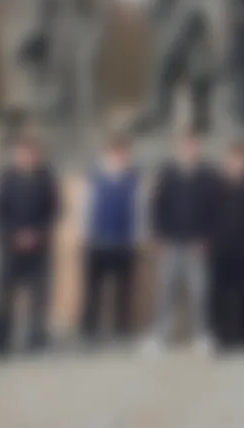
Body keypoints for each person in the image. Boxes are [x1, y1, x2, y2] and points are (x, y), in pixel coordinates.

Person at [0, 134, 59, 354]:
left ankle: (36, 338)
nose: (26, 158)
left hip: (39, 247)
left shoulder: (45, 178)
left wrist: (37, 234)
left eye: (30, 154)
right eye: (22, 154)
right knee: (5, 295)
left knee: (40, 295)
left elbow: (53, 210)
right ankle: (1, 339)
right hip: (11, 247)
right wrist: (14, 235)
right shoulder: (6, 178)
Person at [147, 132, 213, 350]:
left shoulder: (206, 175)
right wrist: (158, 235)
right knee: (166, 290)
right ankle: (160, 337)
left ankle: (201, 336)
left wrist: (206, 236)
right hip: (171, 242)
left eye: (192, 146)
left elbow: (212, 209)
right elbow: (157, 205)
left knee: (199, 291)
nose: (189, 150)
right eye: (185, 146)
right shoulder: (167, 173)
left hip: (196, 244)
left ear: (197, 148)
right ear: (179, 149)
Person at [78, 135, 142, 345]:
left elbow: (140, 212)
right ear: (107, 155)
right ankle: (90, 330)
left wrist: (138, 237)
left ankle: (121, 330)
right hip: (98, 242)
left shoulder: (133, 180)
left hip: (123, 242)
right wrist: (84, 236)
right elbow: (85, 208)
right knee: (93, 290)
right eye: (115, 154)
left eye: (122, 154)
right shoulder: (94, 179)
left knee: (124, 290)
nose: (119, 158)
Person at [209, 141, 244, 349]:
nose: (237, 164)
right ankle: (220, 335)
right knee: (219, 291)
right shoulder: (218, 186)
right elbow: (209, 215)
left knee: (241, 292)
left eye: (241, 160)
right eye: (234, 160)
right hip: (221, 247)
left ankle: (238, 334)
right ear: (228, 162)